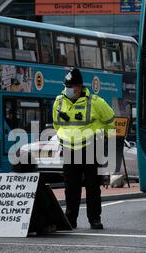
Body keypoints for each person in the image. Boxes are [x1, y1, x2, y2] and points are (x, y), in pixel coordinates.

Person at [52, 68, 115, 229]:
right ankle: (70, 219)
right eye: (67, 85)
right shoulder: (59, 101)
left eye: (71, 86)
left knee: (93, 186)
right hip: (69, 150)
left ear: (79, 87)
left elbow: (110, 120)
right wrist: (62, 138)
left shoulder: (95, 102)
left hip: (90, 148)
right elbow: (56, 124)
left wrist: (103, 139)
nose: (68, 89)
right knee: (70, 187)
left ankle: (94, 219)